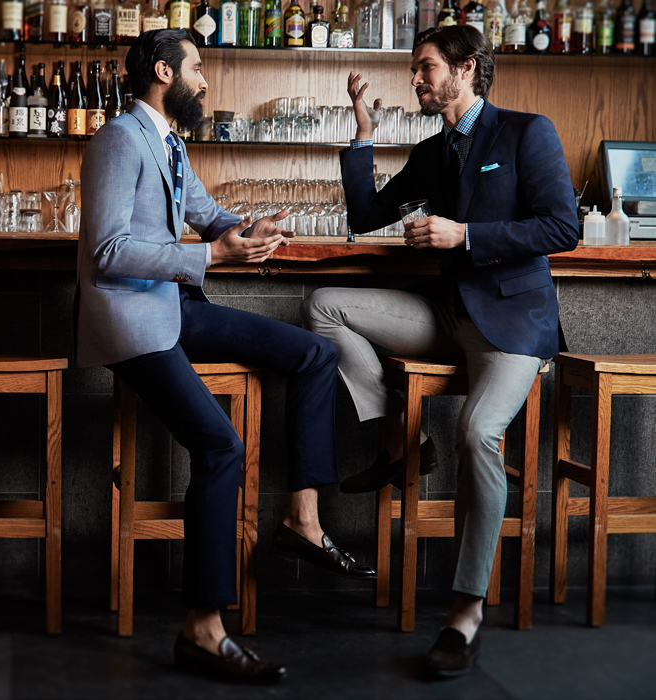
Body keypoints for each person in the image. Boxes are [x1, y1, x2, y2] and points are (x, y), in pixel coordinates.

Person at [75, 28, 375, 684]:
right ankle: (203, 632)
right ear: (164, 72)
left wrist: (247, 229)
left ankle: (302, 518)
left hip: (178, 310)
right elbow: (105, 251)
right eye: (199, 68)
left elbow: (206, 213)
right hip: (135, 324)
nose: (206, 80)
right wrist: (212, 255)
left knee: (313, 355)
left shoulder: (169, 142)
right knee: (223, 448)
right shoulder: (118, 141)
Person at [301, 25, 578, 678]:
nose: (417, 79)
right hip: (447, 316)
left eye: (426, 67)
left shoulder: (525, 132)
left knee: (478, 432)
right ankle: (400, 440)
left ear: (468, 68)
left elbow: (561, 225)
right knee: (321, 306)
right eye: (414, 70)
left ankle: (464, 612)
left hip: (511, 320)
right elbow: (367, 216)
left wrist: (466, 235)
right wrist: (362, 128)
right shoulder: (433, 151)